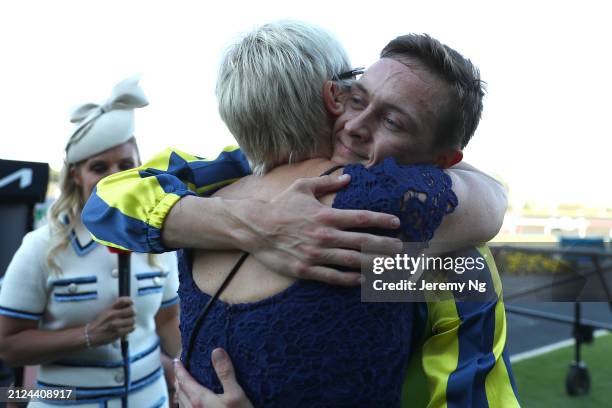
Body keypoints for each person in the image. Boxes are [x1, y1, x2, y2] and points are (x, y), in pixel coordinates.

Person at [82, 24, 517, 406]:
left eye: (394, 122)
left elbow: (107, 203)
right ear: (332, 96)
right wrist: (257, 224)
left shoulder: (214, 186)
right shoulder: (423, 239)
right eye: (355, 97)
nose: (354, 125)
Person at [0, 78, 181, 407]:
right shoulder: (40, 246)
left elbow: (168, 320)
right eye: (99, 167)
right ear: (75, 175)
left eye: (126, 165)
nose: (115, 176)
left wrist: (188, 373)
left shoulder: (160, 238)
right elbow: (7, 345)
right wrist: (88, 335)